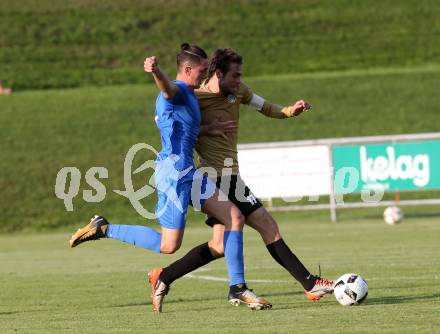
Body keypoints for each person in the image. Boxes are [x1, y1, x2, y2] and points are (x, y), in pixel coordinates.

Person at [68, 44, 272, 313]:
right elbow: (166, 89)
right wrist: (156, 71)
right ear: (188, 70)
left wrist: (210, 129)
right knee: (168, 245)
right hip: (174, 175)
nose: (204, 74)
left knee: (234, 217)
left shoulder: (189, 94)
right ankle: (104, 228)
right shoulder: (176, 91)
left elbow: (187, 127)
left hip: (189, 172)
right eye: (200, 71)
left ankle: (238, 288)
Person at [148, 48, 335, 313]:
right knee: (268, 226)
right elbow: (176, 125)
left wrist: (289, 111)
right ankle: (308, 283)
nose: (239, 81)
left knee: (219, 245)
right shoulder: (195, 97)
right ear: (218, 73)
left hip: (230, 174)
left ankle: (165, 276)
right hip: (216, 176)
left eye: (240, 76)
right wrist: (208, 129)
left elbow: (265, 107)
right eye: (234, 76)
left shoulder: (240, 92)